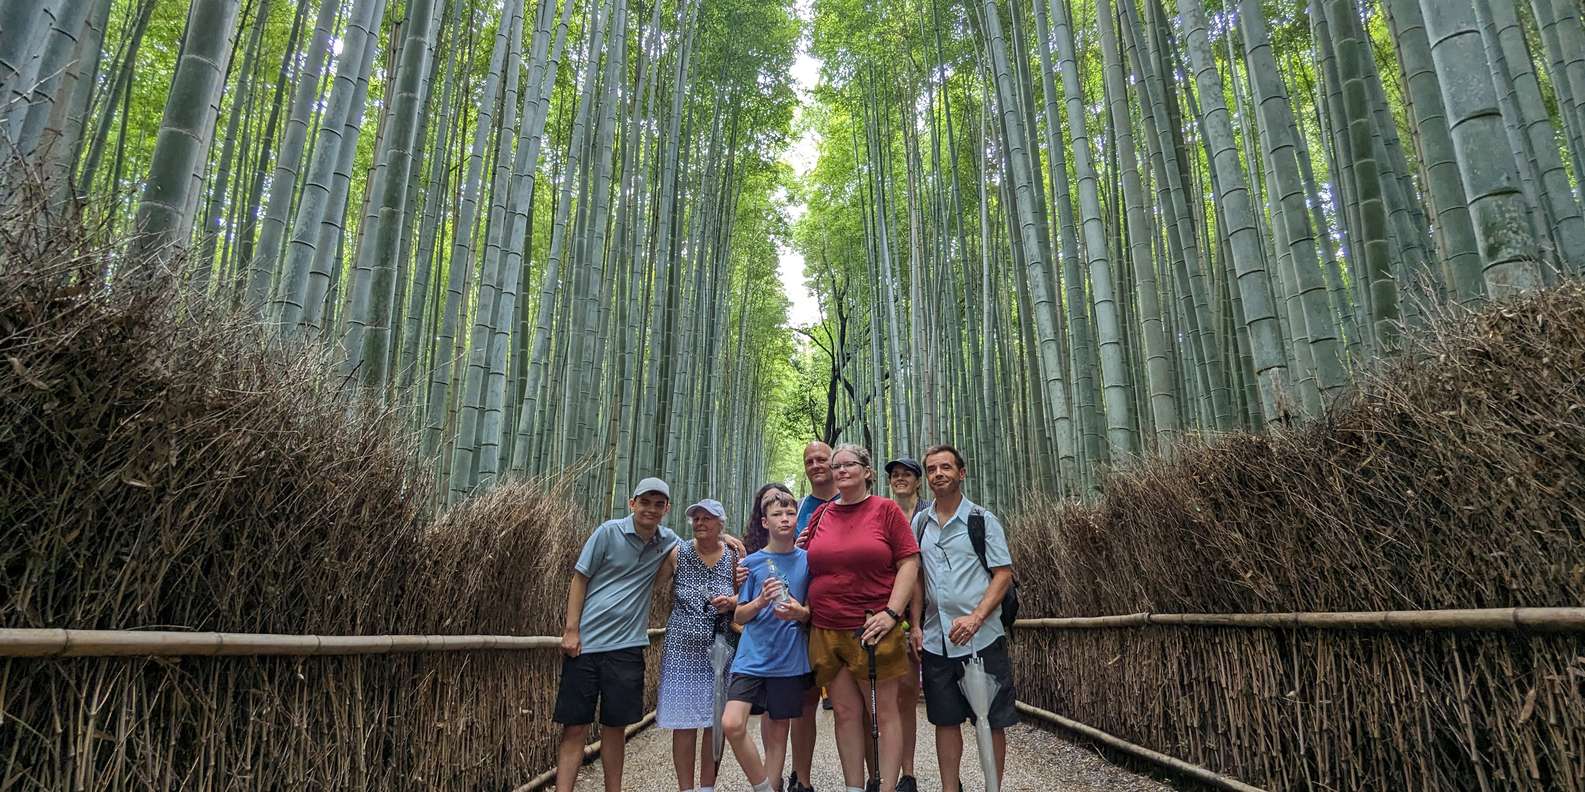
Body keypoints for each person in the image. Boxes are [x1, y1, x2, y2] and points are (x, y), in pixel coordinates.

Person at [801, 443, 921, 792]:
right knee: (845, 713)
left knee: (884, 714)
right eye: (835, 465)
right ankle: (854, 786)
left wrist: (892, 613)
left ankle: (885, 787)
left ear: (867, 472)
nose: (840, 470)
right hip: (826, 628)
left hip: (873, 627)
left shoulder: (885, 511)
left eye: (848, 464)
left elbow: (909, 562)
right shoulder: (820, 514)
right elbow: (804, 561)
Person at [554, 477, 680, 792]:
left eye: (658, 504)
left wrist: (728, 538)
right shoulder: (608, 532)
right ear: (632, 503)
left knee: (615, 729)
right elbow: (580, 578)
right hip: (586, 645)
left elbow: (700, 547)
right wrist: (571, 631)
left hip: (627, 649)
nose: (651, 509)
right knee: (575, 728)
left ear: (666, 509)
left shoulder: (667, 541)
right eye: (645, 502)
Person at [907, 445, 1016, 792]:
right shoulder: (920, 521)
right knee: (944, 719)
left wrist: (976, 618)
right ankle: (950, 788)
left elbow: (1003, 574)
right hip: (938, 637)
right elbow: (917, 577)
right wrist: (915, 625)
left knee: (992, 719)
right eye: (932, 469)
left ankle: (992, 787)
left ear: (961, 473)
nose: (939, 474)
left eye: (946, 467)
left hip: (982, 637)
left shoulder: (982, 519)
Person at [722, 486, 813, 792]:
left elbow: (814, 610)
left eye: (790, 513)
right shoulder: (751, 564)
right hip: (751, 657)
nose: (785, 519)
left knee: (777, 734)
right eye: (777, 514)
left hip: (789, 659)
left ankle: (771, 787)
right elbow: (739, 616)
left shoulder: (809, 561)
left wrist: (800, 613)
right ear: (765, 522)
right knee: (732, 723)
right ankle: (762, 787)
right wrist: (760, 601)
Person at [658, 499, 741, 792]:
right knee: (683, 722)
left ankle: (707, 787)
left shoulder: (734, 555)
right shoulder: (678, 553)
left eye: (708, 518)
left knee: (714, 720)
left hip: (721, 649)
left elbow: (749, 597)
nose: (701, 523)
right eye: (696, 518)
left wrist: (732, 602)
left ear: (721, 524)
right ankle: (686, 788)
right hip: (682, 648)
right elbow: (654, 586)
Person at [789, 440, 836, 791]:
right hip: (805, 616)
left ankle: (870, 778)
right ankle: (801, 779)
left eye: (823, 458)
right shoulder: (798, 507)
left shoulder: (854, 498)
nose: (816, 464)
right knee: (804, 702)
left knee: (857, 703)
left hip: (847, 613)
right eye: (810, 460)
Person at [884, 457, 928, 792]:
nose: (900, 479)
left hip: (930, 615)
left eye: (907, 475)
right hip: (888, 614)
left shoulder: (930, 514)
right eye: (895, 475)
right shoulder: (881, 513)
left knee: (910, 695)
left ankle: (912, 769)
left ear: (918, 480)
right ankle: (898, 773)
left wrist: (916, 623)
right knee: (890, 699)